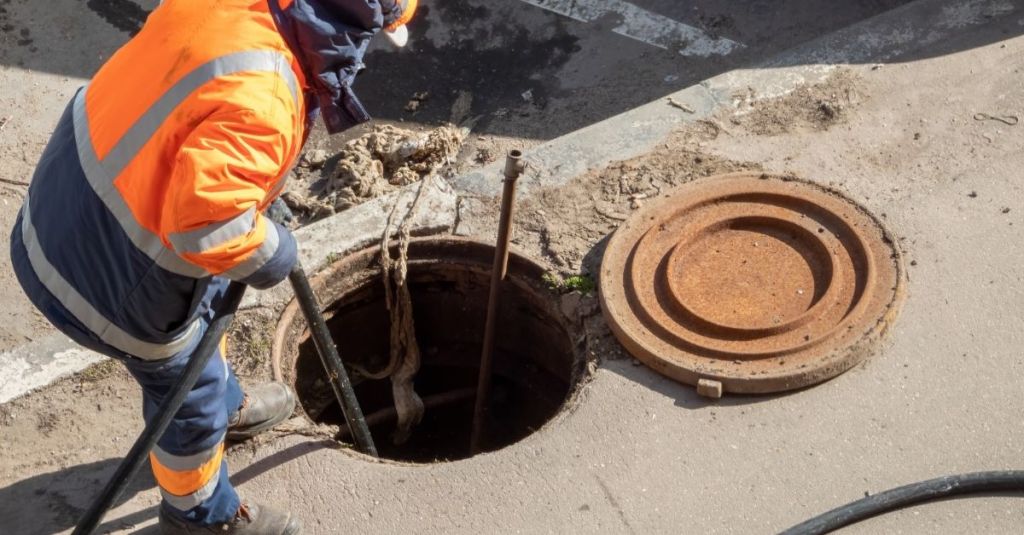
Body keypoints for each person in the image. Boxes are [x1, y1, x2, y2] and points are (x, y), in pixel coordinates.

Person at [9, 0, 416, 533]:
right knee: (187, 402)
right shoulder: (267, 98)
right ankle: (200, 514)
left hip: (63, 208)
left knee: (207, 311)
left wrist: (250, 197)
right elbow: (204, 228)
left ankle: (227, 405)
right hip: (110, 280)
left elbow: (193, 124)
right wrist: (275, 250)